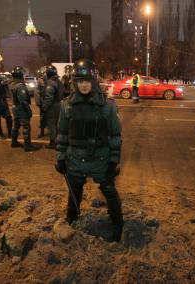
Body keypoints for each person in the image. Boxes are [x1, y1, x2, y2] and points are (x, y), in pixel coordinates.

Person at [55, 59, 124, 242]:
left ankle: (118, 224)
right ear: (75, 82)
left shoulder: (108, 106)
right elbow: (62, 133)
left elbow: (115, 135)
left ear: (94, 81)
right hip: (75, 159)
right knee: (74, 190)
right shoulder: (67, 105)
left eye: (87, 81)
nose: (83, 85)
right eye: (80, 81)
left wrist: (113, 160)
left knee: (109, 189)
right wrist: (61, 157)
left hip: (101, 159)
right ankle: (72, 220)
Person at [9, 66, 38, 152]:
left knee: (16, 125)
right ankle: (27, 145)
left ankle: (14, 142)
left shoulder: (11, 84)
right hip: (21, 108)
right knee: (26, 126)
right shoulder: (20, 86)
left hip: (14, 107)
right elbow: (23, 101)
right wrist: (29, 111)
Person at [42, 65, 64, 149]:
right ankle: (59, 141)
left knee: (51, 124)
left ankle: (53, 142)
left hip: (52, 106)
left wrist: (44, 107)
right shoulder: (59, 81)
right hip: (59, 105)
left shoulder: (50, 83)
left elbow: (49, 97)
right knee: (58, 124)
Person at [35, 66, 47, 138]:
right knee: (42, 117)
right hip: (43, 102)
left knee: (52, 118)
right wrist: (39, 103)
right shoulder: (40, 80)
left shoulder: (51, 80)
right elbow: (37, 92)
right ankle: (42, 131)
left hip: (49, 101)